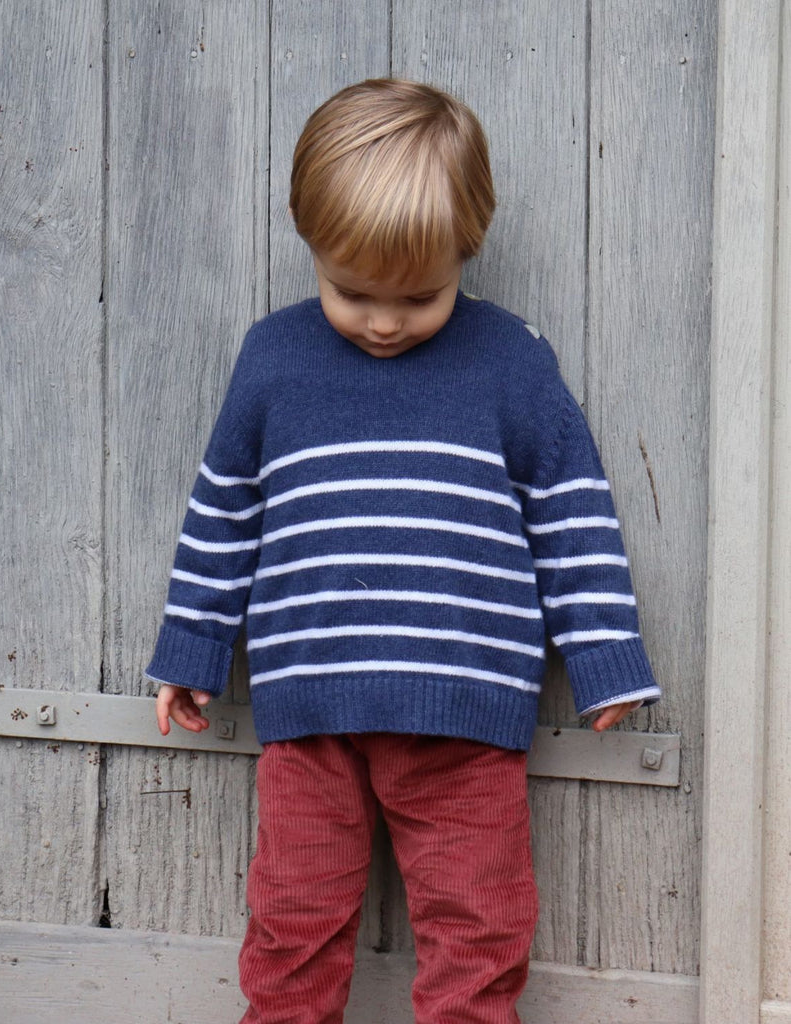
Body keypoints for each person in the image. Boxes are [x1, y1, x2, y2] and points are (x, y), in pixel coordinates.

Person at [146, 78, 661, 1024]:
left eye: (419, 297)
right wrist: (191, 648)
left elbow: (570, 510)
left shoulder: (510, 362)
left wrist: (603, 658)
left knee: (479, 929)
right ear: (311, 246)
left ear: (467, 250)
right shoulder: (273, 359)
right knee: (292, 924)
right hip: (308, 715)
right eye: (352, 294)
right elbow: (223, 512)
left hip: (466, 719)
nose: (383, 323)